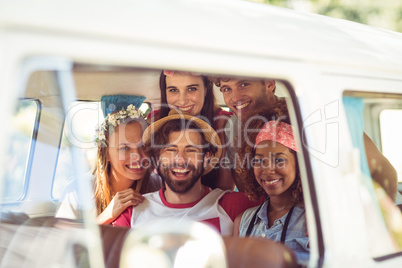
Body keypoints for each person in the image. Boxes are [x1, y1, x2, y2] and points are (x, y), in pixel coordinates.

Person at [212, 76, 398, 201]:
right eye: (227, 89)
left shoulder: (313, 113)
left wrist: (375, 228)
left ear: (269, 83)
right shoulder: (233, 127)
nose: (234, 97)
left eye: (244, 84)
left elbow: (382, 171)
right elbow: (250, 192)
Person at [113, 110, 261, 235]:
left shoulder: (235, 205)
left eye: (191, 150)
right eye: (171, 150)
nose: (180, 159)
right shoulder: (132, 214)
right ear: (157, 159)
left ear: (206, 158)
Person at [56, 104, 163, 224]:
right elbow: (61, 239)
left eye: (143, 146)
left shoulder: (158, 186)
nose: (137, 156)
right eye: (124, 148)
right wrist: (106, 216)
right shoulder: (77, 189)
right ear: (106, 154)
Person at [233, 109, 309, 264]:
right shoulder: (243, 221)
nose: (267, 170)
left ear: (300, 164)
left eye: (279, 160)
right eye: (260, 161)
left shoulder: (312, 221)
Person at [147, 70, 234, 190]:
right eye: (173, 90)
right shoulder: (154, 122)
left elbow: (226, 186)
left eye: (192, 89)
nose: (182, 101)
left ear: (206, 90)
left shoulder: (223, 124)